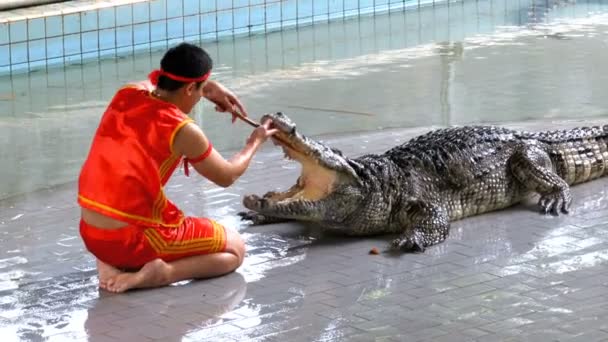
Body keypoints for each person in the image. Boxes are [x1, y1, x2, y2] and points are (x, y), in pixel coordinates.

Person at [77, 42, 278, 293]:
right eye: (201, 89)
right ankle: (163, 273)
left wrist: (209, 88)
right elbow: (227, 176)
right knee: (235, 249)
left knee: (117, 194)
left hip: (91, 236)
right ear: (191, 88)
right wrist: (255, 141)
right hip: (131, 240)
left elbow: (151, 83)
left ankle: (111, 265)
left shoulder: (126, 94)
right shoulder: (183, 130)